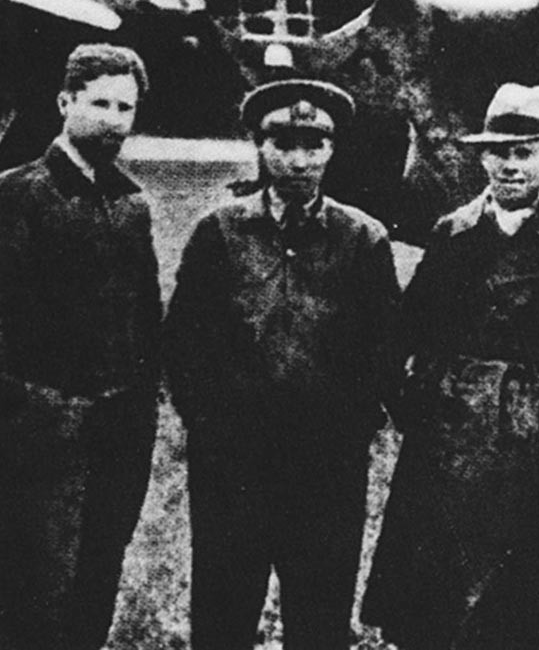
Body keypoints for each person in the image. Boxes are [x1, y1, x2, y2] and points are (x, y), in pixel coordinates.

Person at [362, 82, 539, 650]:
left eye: (525, 151)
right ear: (481, 155)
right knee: (435, 608)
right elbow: (404, 334)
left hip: (537, 457)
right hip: (446, 452)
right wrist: (423, 407)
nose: (510, 166)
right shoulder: (454, 233)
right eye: (498, 151)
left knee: (530, 611)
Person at [162, 76, 401, 650]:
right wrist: (212, 425)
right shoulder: (219, 232)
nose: (297, 160)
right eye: (282, 144)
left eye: (313, 145)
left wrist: (347, 432)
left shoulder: (362, 240)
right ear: (259, 147)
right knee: (223, 613)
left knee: (318, 620)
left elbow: (385, 352)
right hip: (233, 467)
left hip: (325, 472)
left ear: (332, 150)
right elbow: (183, 342)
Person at [0, 43, 162, 650]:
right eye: (100, 103)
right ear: (65, 102)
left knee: (98, 574)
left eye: (126, 107)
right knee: (32, 585)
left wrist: (142, 404)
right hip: (44, 428)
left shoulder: (131, 203)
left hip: (121, 427)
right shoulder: (13, 195)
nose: (114, 118)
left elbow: (145, 315)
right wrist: (25, 403)